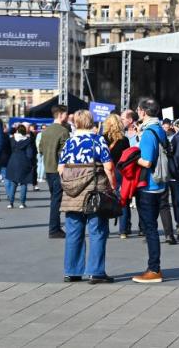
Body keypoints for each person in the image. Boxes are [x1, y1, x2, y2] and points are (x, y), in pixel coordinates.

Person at [58, 110, 117, 284]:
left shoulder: (70, 141)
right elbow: (109, 167)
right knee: (97, 230)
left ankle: (72, 271)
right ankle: (96, 272)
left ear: (75, 123)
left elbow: (61, 168)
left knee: (74, 231)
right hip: (94, 191)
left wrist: (70, 182)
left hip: (72, 193)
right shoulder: (97, 140)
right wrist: (113, 186)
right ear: (92, 122)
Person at [132, 98, 169, 283]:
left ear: (143, 112)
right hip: (160, 184)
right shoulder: (160, 129)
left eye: (138, 110)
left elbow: (146, 161)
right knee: (152, 227)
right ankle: (154, 267)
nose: (137, 112)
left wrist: (132, 157)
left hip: (149, 186)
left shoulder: (148, 133)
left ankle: (154, 269)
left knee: (150, 229)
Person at [39, 105, 71, 239]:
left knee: (54, 199)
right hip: (59, 169)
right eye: (66, 114)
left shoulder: (45, 131)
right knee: (57, 201)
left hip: (48, 168)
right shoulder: (63, 131)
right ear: (61, 115)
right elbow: (65, 152)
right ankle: (54, 229)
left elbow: (40, 149)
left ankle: (55, 227)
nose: (68, 117)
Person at [103, 114, 132, 238]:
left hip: (106, 170)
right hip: (121, 171)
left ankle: (105, 229)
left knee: (104, 199)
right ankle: (123, 230)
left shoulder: (102, 138)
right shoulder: (124, 140)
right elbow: (128, 157)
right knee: (123, 200)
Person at [5, 125, 34, 209]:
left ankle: (10, 202)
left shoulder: (12, 140)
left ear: (17, 131)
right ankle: (22, 203)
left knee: (13, 183)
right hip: (24, 162)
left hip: (13, 161)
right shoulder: (28, 140)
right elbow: (30, 154)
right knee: (23, 183)